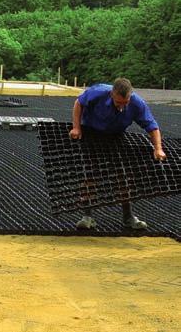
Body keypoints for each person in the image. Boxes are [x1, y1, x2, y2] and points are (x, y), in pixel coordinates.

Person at [69, 77, 166, 230]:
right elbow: (79, 103)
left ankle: (128, 217)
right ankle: (87, 216)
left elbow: (152, 126)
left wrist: (158, 148)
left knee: (123, 175)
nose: (121, 107)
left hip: (116, 135)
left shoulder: (137, 103)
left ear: (130, 96)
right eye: (118, 102)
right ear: (112, 94)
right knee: (90, 174)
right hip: (92, 133)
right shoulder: (98, 92)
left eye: (125, 103)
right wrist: (76, 128)